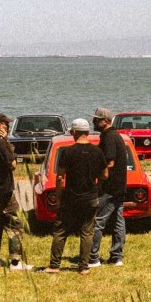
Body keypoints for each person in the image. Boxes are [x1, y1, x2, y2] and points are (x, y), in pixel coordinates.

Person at [43, 118, 105, 275]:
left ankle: (54, 265)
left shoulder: (67, 151)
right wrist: (96, 186)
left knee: (61, 231)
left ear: (75, 133)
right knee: (87, 231)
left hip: (70, 197)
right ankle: (84, 267)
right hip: (90, 197)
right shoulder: (97, 152)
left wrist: (58, 197)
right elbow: (105, 174)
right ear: (87, 132)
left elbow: (59, 177)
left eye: (71, 132)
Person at [0, 113, 29, 270]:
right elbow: (13, 164)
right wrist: (7, 141)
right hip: (3, 190)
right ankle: (15, 262)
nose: (8, 127)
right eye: (6, 124)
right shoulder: (0, 143)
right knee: (15, 225)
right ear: (0, 126)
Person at [88, 108, 127, 267]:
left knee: (98, 221)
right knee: (118, 220)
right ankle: (117, 256)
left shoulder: (109, 137)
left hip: (110, 187)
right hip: (119, 186)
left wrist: (100, 180)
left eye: (96, 120)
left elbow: (109, 162)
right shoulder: (114, 135)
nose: (94, 122)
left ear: (105, 121)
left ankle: (93, 257)